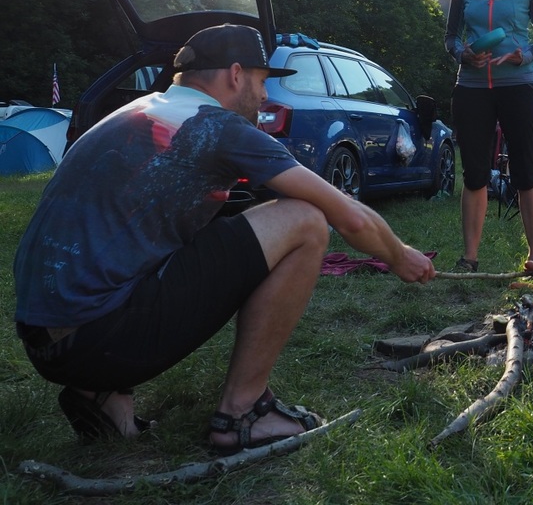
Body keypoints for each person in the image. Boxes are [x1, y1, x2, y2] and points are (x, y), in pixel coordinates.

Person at [13, 24, 435, 451]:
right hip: (99, 335)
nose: (266, 96)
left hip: (44, 335)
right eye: (262, 81)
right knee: (306, 220)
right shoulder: (218, 126)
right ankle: (243, 413)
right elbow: (347, 215)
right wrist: (399, 256)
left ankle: (101, 396)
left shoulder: (138, 111)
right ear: (236, 74)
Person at [444, 0, 533, 274]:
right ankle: (469, 258)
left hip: (520, 84)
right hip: (472, 87)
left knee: (526, 171)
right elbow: (450, 37)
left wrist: (526, 54)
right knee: (475, 173)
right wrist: (463, 54)